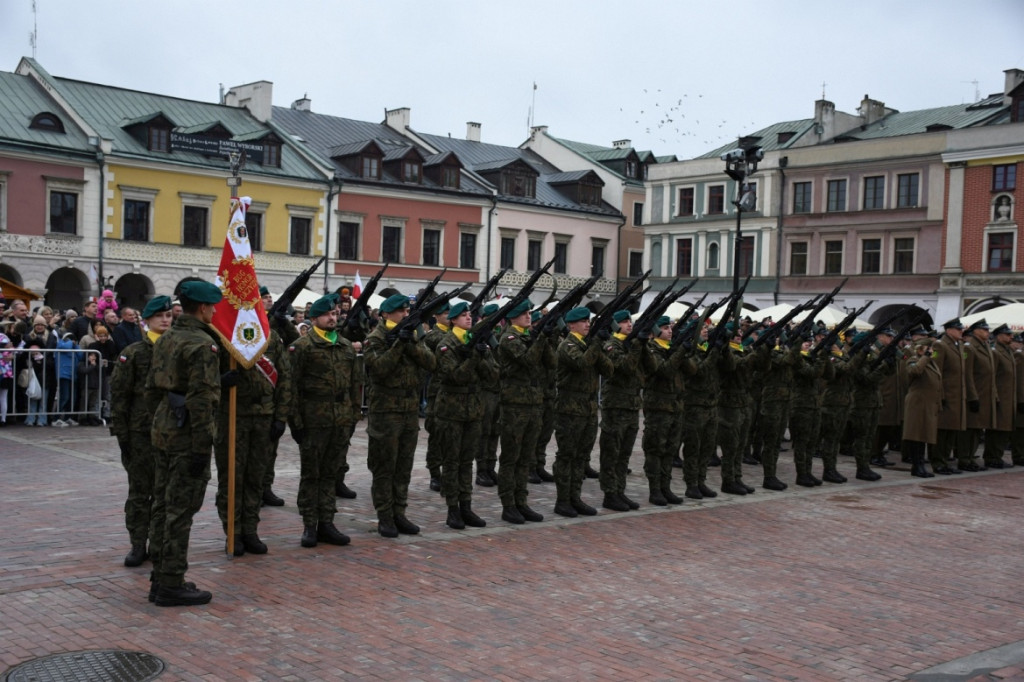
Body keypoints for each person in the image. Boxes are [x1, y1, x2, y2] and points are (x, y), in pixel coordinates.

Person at [145, 280, 224, 607]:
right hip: (188, 436)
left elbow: (152, 388)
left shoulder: (168, 337)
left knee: (162, 505)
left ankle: (161, 576)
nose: (215, 311)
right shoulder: (201, 345)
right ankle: (171, 583)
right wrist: (203, 446)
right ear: (203, 308)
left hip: (165, 427)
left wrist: (160, 423)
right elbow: (202, 401)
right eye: (213, 306)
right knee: (180, 510)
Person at [363, 294, 436, 538]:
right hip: (385, 411)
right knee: (385, 466)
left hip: (409, 409)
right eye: (401, 311)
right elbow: (380, 369)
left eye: (407, 310)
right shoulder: (376, 338)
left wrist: (410, 343)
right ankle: (385, 516)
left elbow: (431, 362)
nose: (406, 314)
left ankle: (399, 513)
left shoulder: (412, 335)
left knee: (404, 465)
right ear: (385, 314)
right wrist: (398, 345)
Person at [109, 295, 174, 567]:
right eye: (160, 316)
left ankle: (160, 543)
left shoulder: (177, 350)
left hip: (171, 433)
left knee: (166, 493)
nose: (165, 320)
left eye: (169, 315)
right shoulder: (133, 353)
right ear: (146, 320)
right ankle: (138, 543)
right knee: (140, 491)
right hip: (140, 434)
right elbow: (120, 397)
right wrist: (122, 435)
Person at [289, 293, 355, 549]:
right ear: (314, 317)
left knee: (331, 473)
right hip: (314, 420)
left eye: (335, 314)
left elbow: (353, 385)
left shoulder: (346, 346)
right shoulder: (302, 347)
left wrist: (351, 417)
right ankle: (309, 524)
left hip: (340, 419)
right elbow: (292, 387)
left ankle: (327, 522)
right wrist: (295, 422)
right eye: (327, 314)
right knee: (311, 474)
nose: (332, 318)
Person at [433, 301, 499, 529]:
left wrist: (479, 356)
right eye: (462, 316)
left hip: (473, 409)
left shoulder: (476, 342)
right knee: (451, 462)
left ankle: (466, 506)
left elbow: (493, 375)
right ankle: (452, 509)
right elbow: (455, 376)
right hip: (451, 410)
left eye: (469, 314)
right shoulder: (446, 344)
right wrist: (474, 359)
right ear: (453, 320)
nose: (468, 318)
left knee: (467, 461)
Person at [552, 306, 613, 517]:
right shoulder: (567, 345)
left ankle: (575, 497)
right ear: (571, 325)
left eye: (589, 321)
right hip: (570, 410)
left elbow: (609, 370)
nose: (588, 324)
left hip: (588, 410)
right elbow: (582, 364)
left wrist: (599, 345)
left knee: (581, 457)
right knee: (567, 456)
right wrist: (596, 343)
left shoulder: (588, 345)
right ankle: (562, 500)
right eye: (583, 321)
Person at [495, 299, 546, 523]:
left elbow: (550, 363)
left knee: (526, 457)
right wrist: (541, 338)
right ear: (513, 317)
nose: (529, 316)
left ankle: (521, 501)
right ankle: (508, 505)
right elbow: (529, 360)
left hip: (533, 404)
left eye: (529, 313)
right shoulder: (509, 338)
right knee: (511, 458)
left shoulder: (526, 337)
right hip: (514, 406)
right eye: (524, 313)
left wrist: (546, 337)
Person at [640, 316, 696, 505]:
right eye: (665, 328)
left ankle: (666, 487)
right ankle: (655, 489)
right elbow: (663, 371)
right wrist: (678, 353)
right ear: (656, 332)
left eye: (670, 328)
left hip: (675, 407)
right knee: (656, 449)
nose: (670, 331)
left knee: (670, 450)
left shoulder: (672, 349)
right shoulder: (651, 350)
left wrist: (683, 352)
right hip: (658, 407)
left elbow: (692, 371)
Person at [597, 310, 645, 512]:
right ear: (615, 325)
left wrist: (641, 345)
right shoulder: (610, 345)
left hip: (632, 405)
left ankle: (620, 491)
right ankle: (610, 494)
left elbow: (644, 371)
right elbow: (624, 367)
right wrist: (636, 348)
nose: (629, 325)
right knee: (611, 453)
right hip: (615, 406)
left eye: (629, 321)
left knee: (624, 455)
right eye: (624, 322)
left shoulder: (632, 345)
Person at [902, 336, 939, 478]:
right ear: (920, 349)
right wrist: (926, 356)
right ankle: (916, 466)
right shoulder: (912, 360)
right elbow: (915, 371)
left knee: (923, 435)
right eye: (929, 348)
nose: (932, 351)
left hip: (928, 404)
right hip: (917, 403)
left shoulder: (931, 362)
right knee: (915, 435)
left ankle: (921, 465)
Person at [961, 319, 995, 471]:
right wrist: (972, 396)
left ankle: (970, 458)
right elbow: (967, 375)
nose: (987, 332)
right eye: (984, 330)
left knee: (977, 429)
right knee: (970, 430)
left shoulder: (986, 346)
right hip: (975, 395)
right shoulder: (970, 348)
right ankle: (964, 459)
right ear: (975, 331)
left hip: (985, 395)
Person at [984, 323, 1019, 468]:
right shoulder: (995, 351)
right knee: (997, 429)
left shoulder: (1008, 351)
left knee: (1005, 428)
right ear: (999, 336)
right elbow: (991, 376)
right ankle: (992, 457)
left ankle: (996, 456)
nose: (1011, 336)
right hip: (999, 397)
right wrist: (995, 396)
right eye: (1008, 334)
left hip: (1009, 397)